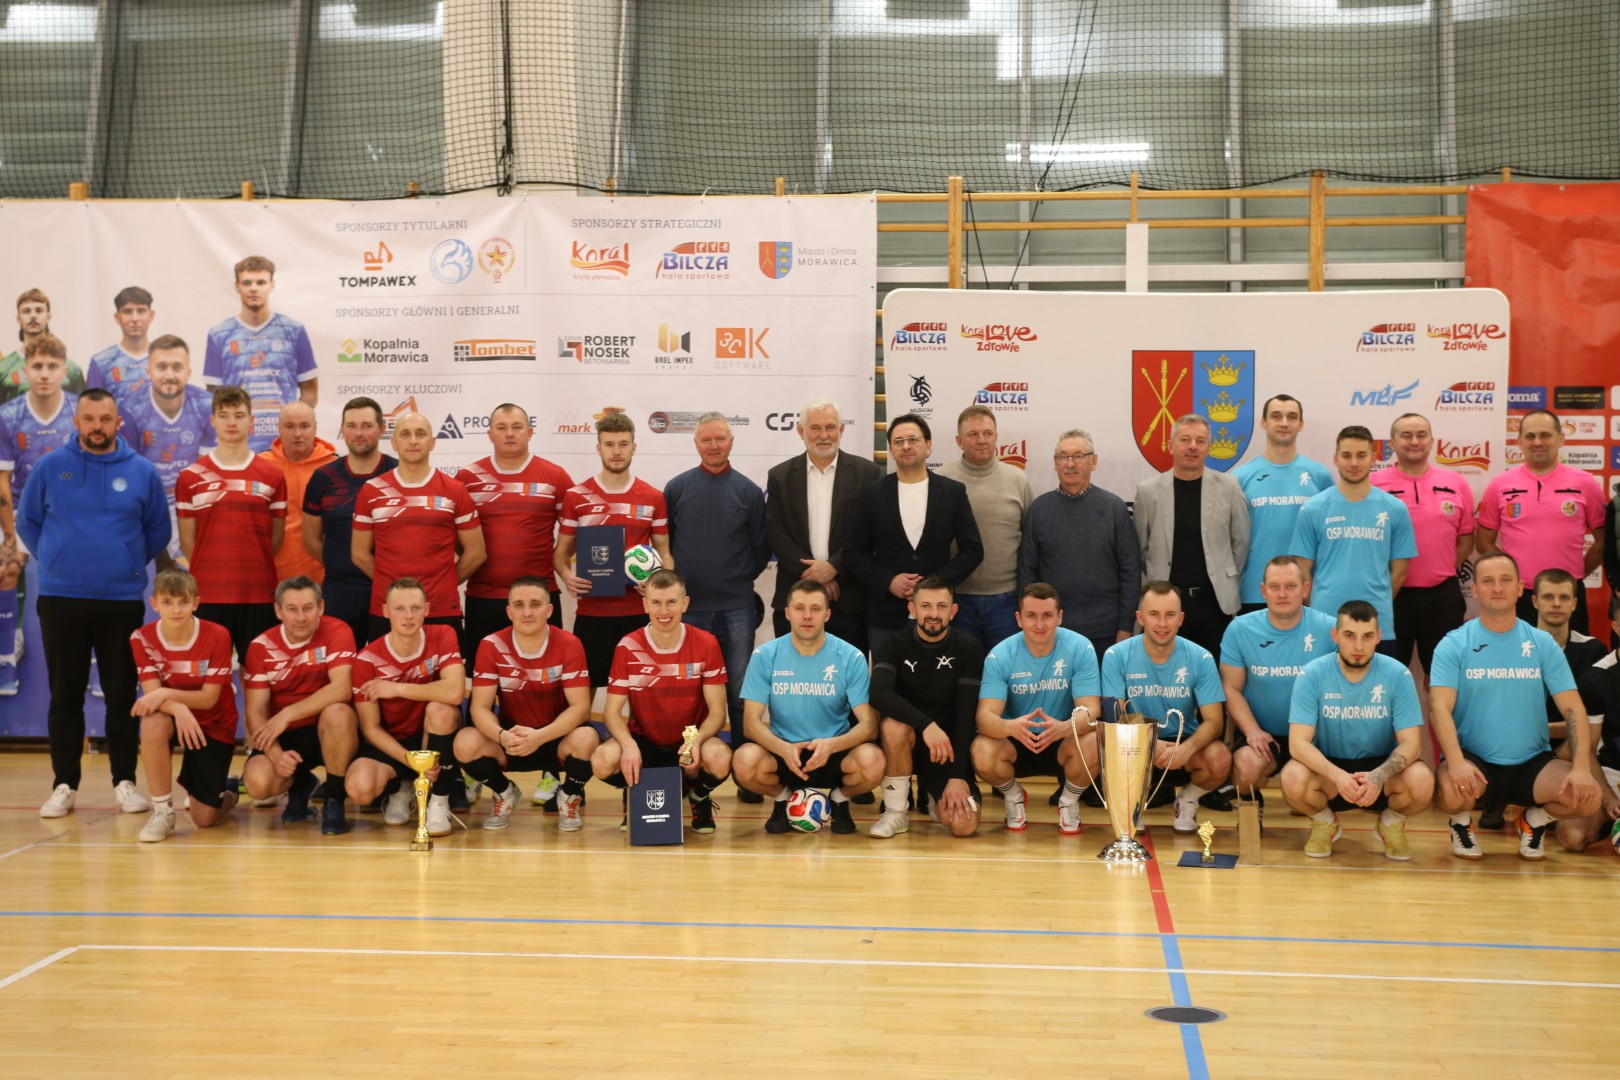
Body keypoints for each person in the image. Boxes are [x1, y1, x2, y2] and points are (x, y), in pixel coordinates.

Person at [21, 388, 169, 819]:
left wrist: (125, 564)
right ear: (77, 421)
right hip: (61, 598)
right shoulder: (50, 467)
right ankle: (64, 784)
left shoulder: (142, 471)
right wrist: (55, 559)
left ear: (118, 422)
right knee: (64, 696)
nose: (97, 427)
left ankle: (125, 782)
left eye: (105, 419)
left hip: (120, 600)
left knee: (122, 696)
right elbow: (28, 522)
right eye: (89, 419)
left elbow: (157, 530)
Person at [1429, 553, 1601, 860]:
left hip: (1532, 763)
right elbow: (1439, 708)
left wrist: (1581, 768)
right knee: (1450, 791)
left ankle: (1533, 821)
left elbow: (1574, 710)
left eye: (1505, 580)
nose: (1497, 588)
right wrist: (1455, 762)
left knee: (1589, 797)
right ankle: (1461, 823)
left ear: (1520, 588)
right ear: (1475, 589)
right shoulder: (1454, 643)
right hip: (1474, 760)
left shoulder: (1542, 643)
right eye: (1488, 581)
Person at [1280, 601, 1434, 860]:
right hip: (1330, 771)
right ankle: (1324, 822)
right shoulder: (1312, 674)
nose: (1359, 646)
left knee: (1422, 780)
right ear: (1335, 635)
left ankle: (1390, 823)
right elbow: (1298, 744)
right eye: (1350, 636)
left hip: (1381, 771)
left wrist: (1378, 776)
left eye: (1367, 636)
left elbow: (1411, 744)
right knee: (1292, 777)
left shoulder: (1398, 674)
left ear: (1379, 637)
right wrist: (1339, 777)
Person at [733, 578, 883, 834]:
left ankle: (839, 799)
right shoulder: (765, 655)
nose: (807, 616)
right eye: (799, 608)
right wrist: (783, 748)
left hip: (832, 751)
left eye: (815, 609)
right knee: (743, 761)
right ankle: (782, 798)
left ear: (827, 614)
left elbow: (869, 725)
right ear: (787, 613)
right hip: (784, 751)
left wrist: (832, 745)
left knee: (874, 761)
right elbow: (750, 723)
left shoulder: (850, 656)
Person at [593, 569, 731, 833]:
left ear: (685, 604)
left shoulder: (706, 643)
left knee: (720, 757)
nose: (664, 611)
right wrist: (628, 745)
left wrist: (696, 740)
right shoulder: (627, 646)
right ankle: (635, 792)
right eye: (656, 602)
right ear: (645, 604)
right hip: (644, 739)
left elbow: (717, 712)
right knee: (602, 760)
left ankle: (698, 796)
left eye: (671, 602)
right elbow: (611, 712)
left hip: (688, 736)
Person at [663, 412, 769, 756]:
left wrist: (734, 579)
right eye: (706, 440)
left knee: (739, 693)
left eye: (720, 439)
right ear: (696, 444)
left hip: (737, 609)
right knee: (691, 696)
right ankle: (689, 759)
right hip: (689, 611)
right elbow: (667, 549)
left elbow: (759, 550)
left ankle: (744, 765)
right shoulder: (677, 489)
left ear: (731, 442)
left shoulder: (749, 492)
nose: (713, 446)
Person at [456, 577, 599, 831]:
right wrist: (501, 736)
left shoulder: (569, 644)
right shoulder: (491, 645)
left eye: (535, 604)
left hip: (555, 737)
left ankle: (569, 796)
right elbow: (479, 708)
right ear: (509, 611)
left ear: (549, 610)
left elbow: (580, 707)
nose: (527, 612)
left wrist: (540, 737)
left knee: (587, 738)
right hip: (513, 738)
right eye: (519, 605)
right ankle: (504, 792)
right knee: (465, 742)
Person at [554, 411, 672, 698]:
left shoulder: (652, 497)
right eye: (609, 444)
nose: (616, 451)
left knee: (643, 693)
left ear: (634, 447)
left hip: (639, 613)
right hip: (593, 612)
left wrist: (658, 585)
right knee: (584, 694)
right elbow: (560, 553)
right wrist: (567, 576)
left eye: (623, 444)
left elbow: (665, 553)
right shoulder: (577, 496)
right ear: (598, 448)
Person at [970, 583, 1102, 834]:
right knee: (981, 751)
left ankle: (1068, 802)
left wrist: (1064, 728)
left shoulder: (1080, 647)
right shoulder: (1000, 655)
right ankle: (1013, 796)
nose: (1040, 624)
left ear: (1059, 617)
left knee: (1095, 741)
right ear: (1018, 619)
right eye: (1031, 616)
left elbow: (1092, 711)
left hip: (1062, 737)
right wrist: (1011, 727)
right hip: (1017, 738)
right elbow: (984, 718)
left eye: (1047, 616)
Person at [843, 412, 983, 650]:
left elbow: (973, 550)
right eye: (899, 441)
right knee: (886, 674)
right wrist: (888, 581)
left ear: (928, 445)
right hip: (886, 615)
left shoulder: (952, 492)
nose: (906, 446)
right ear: (890, 449)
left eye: (913, 439)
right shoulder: (872, 493)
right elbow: (853, 552)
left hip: (938, 614)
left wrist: (934, 584)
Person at [1101, 581, 1230, 834]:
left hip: (1183, 747)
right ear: (1140, 618)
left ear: (1180, 619)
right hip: (1136, 743)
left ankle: (1188, 800)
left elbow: (1215, 721)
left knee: (1221, 757)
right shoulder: (1116, 655)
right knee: (1114, 742)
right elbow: (1114, 714)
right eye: (1154, 614)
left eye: (1170, 615)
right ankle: (1131, 802)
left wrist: (1185, 749)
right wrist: (1150, 741)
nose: (1162, 623)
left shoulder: (1201, 658)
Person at [175, 385, 288, 666]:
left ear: (251, 421)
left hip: (258, 594)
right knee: (209, 678)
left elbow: (275, 539)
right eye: (224, 415)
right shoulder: (190, 476)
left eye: (239, 415)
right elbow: (189, 542)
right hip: (208, 594)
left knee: (257, 678)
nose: (231, 422)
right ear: (213, 421)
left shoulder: (272, 475)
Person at [344, 578, 466, 837]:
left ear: (427, 610)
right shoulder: (366, 659)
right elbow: (370, 728)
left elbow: (455, 692)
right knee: (359, 789)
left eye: (415, 608)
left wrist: (397, 689)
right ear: (386, 611)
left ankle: (438, 802)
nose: (408, 616)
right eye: (399, 609)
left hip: (432, 736)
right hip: (392, 743)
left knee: (441, 710)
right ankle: (403, 786)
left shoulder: (443, 634)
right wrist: (411, 762)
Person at [240, 576, 359, 835]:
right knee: (258, 784)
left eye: (308, 608)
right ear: (278, 610)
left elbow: (342, 688)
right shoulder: (260, 646)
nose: (301, 617)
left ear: (321, 607)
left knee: (338, 712)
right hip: (287, 736)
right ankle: (302, 784)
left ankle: (334, 800)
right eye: (292, 609)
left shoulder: (338, 630)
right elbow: (255, 711)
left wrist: (288, 713)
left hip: (329, 729)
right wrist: (276, 756)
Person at [868, 576, 985, 838]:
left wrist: (957, 777)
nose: (933, 614)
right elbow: (878, 693)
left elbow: (967, 715)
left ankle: (933, 795)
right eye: (926, 606)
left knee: (964, 826)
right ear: (912, 608)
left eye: (942, 606)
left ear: (953, 611)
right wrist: (926, 725)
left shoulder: (969, 647)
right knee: (894, 726)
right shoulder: (894, 644)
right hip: (907, 740)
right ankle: (896, 812)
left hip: (946, 749)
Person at [763, 396, 883, 650]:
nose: (824, 435)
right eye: (815, 428)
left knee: (847, 673)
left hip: (849, 600)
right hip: (794, 599)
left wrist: (835, 566)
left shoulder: (867, 473)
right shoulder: (780, 476)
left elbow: (872, 531)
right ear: (801, 431)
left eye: (830, 427)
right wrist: (815, 574)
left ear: (842, 429)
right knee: (792, 671)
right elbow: (775, 532)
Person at [352, 411, 484, 640]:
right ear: (394, 442)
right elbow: (359, 554)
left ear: (432, 442)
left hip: (441, 608)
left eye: (420, 434)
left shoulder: (454, 490)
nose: (413, 440)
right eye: (405, 434)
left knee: (449, 666)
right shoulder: (371, 490)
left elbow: (476, 552)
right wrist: (395, 590)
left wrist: (445, 583)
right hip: (388, 609)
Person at [130, 569, 240, 843]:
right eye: (167, 602)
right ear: (154, 604)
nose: (176, 610)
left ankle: (229, 791)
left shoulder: (218, 635)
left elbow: (209, 698)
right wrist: (179, 709)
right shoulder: (141, 638)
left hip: (213, 720)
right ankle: (163, 812)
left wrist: (167, 694)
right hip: (173, 716)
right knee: (152, 721)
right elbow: (153, 696)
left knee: (204, 819)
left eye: (183, 602)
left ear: (196, 603)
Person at [1219, 556, 1336, 807]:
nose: (1282, 594)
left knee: (1302, 798)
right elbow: (1231, 688)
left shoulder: (1330, 629)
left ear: (1305, 589)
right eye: (1274, 587)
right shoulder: (1240, 629)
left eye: (1290, 586)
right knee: (1246, 768)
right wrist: (1252, 731)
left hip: (1313, 736)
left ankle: (1311, 807)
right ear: (1263, 591)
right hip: (1264, 732)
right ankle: (1251, 809)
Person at [456, 403, 572, 652]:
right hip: (483, 598)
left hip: (539, 597)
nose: (509, 433)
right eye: (502, 427)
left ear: (529, 433)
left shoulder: (555, 476)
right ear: (490, 434)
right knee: (483, 674)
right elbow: (454, 537)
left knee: (545, 671)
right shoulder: (467, 478)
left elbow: (577, 530)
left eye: (517, 427)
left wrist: (564, 563)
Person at [1476, 409, 1606, 634]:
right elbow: (1483, 542)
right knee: (1519, 655)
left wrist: (1574, 575)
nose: (1537, 442)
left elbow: (1603, 541)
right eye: (1530, 436)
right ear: (1519, 442)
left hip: (1567, 593)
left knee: (1571, 654)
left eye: (1545, 435)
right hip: (1518, 595)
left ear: (1561, 439)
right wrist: (1510, 576)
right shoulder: (1499, 485)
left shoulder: (1586, 483)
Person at [1289, 425, 1416, 651]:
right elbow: (1302, 571)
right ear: (1335, 459)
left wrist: (1378, 601)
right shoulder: (1313, 508)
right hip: (1325, 623)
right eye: (1347, 456)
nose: (1354, 463)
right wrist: (1318, 611)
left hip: (1377, 623)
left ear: (1373, 459)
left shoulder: (1395, 508)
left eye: (1361, 455)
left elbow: (1400, 572)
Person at [0, 333, 78, 693]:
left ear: (64, 371)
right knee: (6, 567)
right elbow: (2, 481)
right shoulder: (7, 415)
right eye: (37, 366)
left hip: (71, 512)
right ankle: (7, 653)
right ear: (25, 371)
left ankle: (92, 657)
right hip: (20, 510)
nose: (44, 373)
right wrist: (10, 536)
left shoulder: (80, 412)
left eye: (51, 366)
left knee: (93, 570)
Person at [1018, 428, 1138, 663]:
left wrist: (1125, 627)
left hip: (1106, 631)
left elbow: (1130, 572)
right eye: (1063, 457)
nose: (1070, 464)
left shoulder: (1114, 509)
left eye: (1079, 456)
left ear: (1094, 461)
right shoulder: (1039, 510)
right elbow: (1026, 573)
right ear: (1055, 463)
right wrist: (1032, 622)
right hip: (1052, 631)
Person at [1133, 414, 1250, 653]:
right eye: (1185, 440)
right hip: (1165, 605)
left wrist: (1223, 573)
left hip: (1215, 603)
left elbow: (1241, 542)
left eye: (1200, 441)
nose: (1193, 446)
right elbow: (1141, 549)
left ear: (1209, 447)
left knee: (1215, 671)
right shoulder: (1148, 492)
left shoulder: (1229, 487)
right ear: (1171, 445)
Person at [1369, 413, 1474, 677]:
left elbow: (1466, 540)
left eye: (1421, 435)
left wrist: (1441, 568)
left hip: (1442, 597)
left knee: (1445, 676)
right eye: (1406, 435)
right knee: (1385, 675)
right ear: (1392, 443)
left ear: (1431, 441)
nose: (1414, 441)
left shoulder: (1457, 483)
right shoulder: (1373, 485)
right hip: (1391, 595)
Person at [302, 396, 396, 648]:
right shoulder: (323, 478)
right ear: (342, 430)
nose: (359, 433)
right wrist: (340, 563)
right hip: (338, 590)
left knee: (387, 663)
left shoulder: (398, 473)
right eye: (351, 426)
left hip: (387, 590)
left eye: (367, 426)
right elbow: (311, 539)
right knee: (339, 664)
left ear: (382, 429)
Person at [937, 404, 1032, 649]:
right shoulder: (941, 480)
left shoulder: (1018, 480)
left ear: (996, 437)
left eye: (988, 433)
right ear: (959, 441)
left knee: (1004, 668)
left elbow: (1030, 542)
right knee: (961, 669)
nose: (981, 440)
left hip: (1006, 601)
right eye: (973, 434)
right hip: (956, 598)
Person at [202, 255, 318, 452]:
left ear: (272, 285)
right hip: (239, 444)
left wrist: (292, 426)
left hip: (282, 445)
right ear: (237, 286)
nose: (254, 288)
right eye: (247, 282)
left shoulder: (293, 330)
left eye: (260, 282)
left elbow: (310, 391)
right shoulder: (219, 334)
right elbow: (214, 396)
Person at [119, 335, 216, 566]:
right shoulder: (129, 409)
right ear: (149, 371)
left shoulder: (207, 405)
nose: (169, 375)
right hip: (148, 502)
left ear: (189, 372)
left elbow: (209, 472)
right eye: (161, 367)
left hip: (190, 500)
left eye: (177, 367)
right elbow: (131, 475)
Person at [1232, 395, 1333, 614]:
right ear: (1263, 422)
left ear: (1301, 424)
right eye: (1276, 416)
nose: (1284, 423)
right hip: (1255, 591)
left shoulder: (1320, 476)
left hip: (1307, 592)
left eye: (1292, 417)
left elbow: (1330, 536)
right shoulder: (1241, 477)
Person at [258, 402, 335, 585]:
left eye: (304, 426)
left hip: (325, 578)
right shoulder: (260, 466)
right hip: (270, 577)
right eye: (290, 426)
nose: (297, 433)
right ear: (279, 428)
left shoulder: (334, 468)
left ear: (315, 428)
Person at [1570, 595, 1620, 853]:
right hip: (1613, 771)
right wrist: (1608, 798)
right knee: (1573, 836)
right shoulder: (1597, 677)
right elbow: (1586, 750)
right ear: (1616, 627)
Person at [0, 288, 87, 403]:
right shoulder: (3, 368)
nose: (33, 316)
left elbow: (81, 410)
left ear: (48, 317)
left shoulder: (72, 370)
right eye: (26, 311)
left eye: (39, 310)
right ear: (18, 319)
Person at [86, 286, 155, 405]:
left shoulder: (164, 359)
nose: (135, 318)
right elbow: (93, 408)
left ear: (151, 315)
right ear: (117, 317)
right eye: (128, 312)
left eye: (141, 311)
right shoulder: (101, 362)